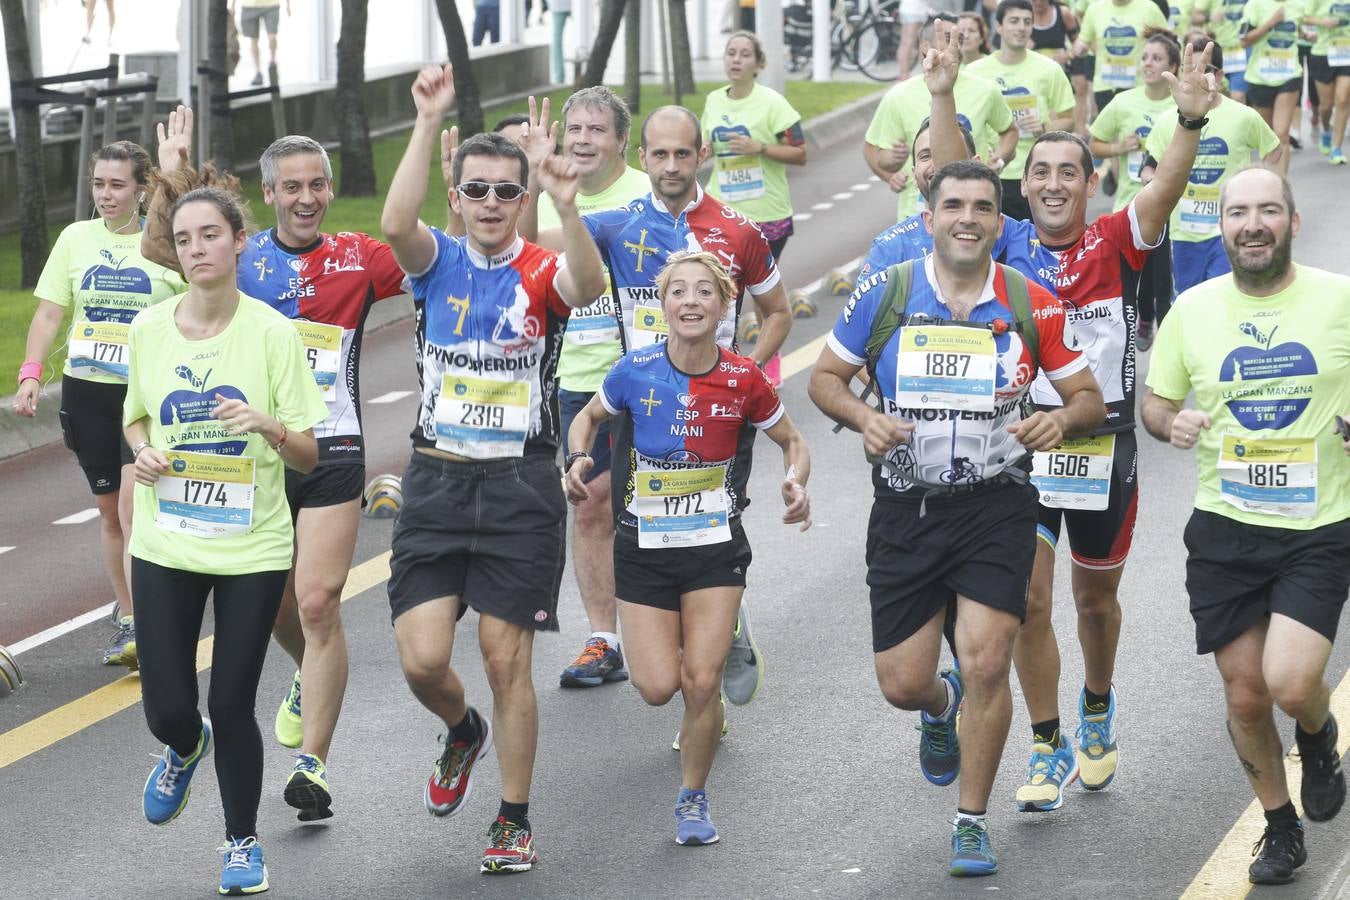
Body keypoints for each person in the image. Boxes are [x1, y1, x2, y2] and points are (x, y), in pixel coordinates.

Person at [809, 158, 1105, 876]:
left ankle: (971, 820)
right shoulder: (886, 293)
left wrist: (1058, 420)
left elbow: (1090, 398)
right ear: (929, 217)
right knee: (902, 683)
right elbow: (823, 379)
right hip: (907, 507)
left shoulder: (1030, 302)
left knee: (986, 661)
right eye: (953, 206)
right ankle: (937, 708)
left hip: (996, 505)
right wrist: (860, 418)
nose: (967, 218)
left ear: (999, 224)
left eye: (981, 207)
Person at [147, 107, 410, 822]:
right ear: (269, 194)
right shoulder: (244, 257)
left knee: (320, 602)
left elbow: (428, 255)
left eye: (317, 185)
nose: (304, 197)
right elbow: (171, 250)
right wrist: (173, 169)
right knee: (279, 608)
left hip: (333, 444)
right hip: (254, 458)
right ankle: (307, 673)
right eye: (290, 185)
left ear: (329, 189)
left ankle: (313, 766)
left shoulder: (361, 256)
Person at [379, 63, 605, 875]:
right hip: (438, 481)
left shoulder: (541, 268)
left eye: (505, 192)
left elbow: (590, 283)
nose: (488, 203)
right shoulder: (432, 259)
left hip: (519, 484)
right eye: (475, 189)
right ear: (458, 191)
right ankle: (462, 731)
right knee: (424, 659)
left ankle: (512, 817)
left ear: (523, 199)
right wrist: (425, 119)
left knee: (508, 659)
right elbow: (395, 218)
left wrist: (566, 201)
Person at [991, 42, 1219, 815]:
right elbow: (944, 183)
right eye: (1040, 173)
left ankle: (1097, 705)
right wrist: (943, 94)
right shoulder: (1006, 244)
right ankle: (1048, 741)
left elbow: (1168, 187)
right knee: (1026, 600)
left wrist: (1188, 117)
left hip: (1103, 446)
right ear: (1023, 189)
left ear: (1091, 185)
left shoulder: (1117, 239)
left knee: (1093, 604)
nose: (1053, 184)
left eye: (1069, 173)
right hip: (1024, 445)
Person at [1141, 166, 1349, 886]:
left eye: (1267, 211)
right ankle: (1280, 827)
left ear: (1293, 222)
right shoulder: (1192, 310)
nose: (1252, 224)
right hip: (1227, 527)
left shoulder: (1337, 300)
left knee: (1291, 685)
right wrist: (1173, 421)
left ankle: (1318, 735)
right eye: (1237, 213)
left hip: (1321, 523)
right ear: (1220, 225)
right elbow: (1157, 402)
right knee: (1244, 693)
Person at [564, 251, 811, 845]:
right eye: (680, 292)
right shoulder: (634, 369)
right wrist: (577, 457)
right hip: (643, 549)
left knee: (701, 683)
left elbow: (792, 440)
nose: (692, 301)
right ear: (664, 305)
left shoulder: (745, 380)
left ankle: (693, 799)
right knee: (656, 688)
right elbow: (588, 418)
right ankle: (714, 636)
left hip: (714, 549)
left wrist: (795, 480)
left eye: (706, 292)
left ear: (725, 307)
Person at [127, 171, 327, 897]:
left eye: (210, 234)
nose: (197, 248)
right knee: (171, 710)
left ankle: (241, 843)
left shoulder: (272, 333)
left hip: (252, 545)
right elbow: (135, 415)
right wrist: (141, 449)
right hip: (165, 540)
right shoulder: (149, 327)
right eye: (184, 239)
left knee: (231, 700)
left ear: (240, 242)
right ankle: (184, 749)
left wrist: (270, 427)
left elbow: (308, 449)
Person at [566, 105, 793, 712]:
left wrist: (743, 370)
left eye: (682, 154)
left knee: (709, 528)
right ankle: (710, 646)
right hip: (640, 411)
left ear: (703, 157)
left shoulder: (739, 230)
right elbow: (555, 273)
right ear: (641, 159)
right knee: (654, 532)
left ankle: (713, 658)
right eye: (659, 155)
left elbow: (779, 312)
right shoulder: (613, 225)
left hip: (720, 415)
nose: (671, 166)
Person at [13, 139, 185, 669]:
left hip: (145, 400)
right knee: (111, 515)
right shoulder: (75, 239)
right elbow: (48, 315)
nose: (106, 195)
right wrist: (30, 375)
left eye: (117, 185)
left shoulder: (161, 243)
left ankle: (150, 626)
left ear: (141, 190)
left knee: (135, 509)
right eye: (98, 184)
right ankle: (130, 615)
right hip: (87, 394)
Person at [512, 87, 650, 690]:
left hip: (651, 379)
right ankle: (605, 639)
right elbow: (516, 256)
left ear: (621, 140)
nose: (584, 141)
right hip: (576, 379)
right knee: (590, 507)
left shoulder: (650, 195)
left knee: (653, 511)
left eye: (598, 130)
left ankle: (711, 612)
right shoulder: (541, 198)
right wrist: (535, 181)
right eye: (575, 130)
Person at [703, 30, 808, 386]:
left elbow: (800, 152)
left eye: (745, 54)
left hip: (767, 214)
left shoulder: (773, 103)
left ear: (758, 63)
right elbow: (707, 148)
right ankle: (720, 361)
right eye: (731, 52)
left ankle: (767, 363)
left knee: (764, 295)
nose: (736, 59)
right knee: (723, 292)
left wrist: (758, 147)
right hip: (723, 212)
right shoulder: (714, 101)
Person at [1141, 35, 1281, 297]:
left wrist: (1256, 188)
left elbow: (1274, 150)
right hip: (1185, 233)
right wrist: (1153, 185)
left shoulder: (1243, 116)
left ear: (1220, 76)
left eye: (1203, 70)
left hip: (1228, 227)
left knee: (1224, 295)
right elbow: (1150, 168)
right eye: (1189, 70)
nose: (1195, 77)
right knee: (1190, 300)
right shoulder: (1167, 120)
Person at [864, 14, 1019, 222]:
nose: (956, 44)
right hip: (915, 214)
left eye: (959, 38)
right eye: (948, 37)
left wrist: (998, 161)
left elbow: (1009, 130)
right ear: (925, 46)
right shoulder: (898, 95)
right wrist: (890, 173)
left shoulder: (985, 90)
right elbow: (872, 149)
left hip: (972, 214)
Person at [1088, 29, 1180, 348]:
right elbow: (1094, 143)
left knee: (1161, 276)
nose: (1148, 64)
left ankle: (1167, 342)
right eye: (1144, 58)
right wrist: (1118, 148)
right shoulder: (1123, 102)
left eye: (1157, 58)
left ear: (1173, 66)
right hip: (1129, 204)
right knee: (1129, 277)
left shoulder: (1181, 105)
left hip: (1172, 207)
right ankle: (1140, 318)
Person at [968, 0, 1077, 220]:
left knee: (1035, 244)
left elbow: (1069, 119)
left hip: (1035, 172)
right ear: (998, 26)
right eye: (1014, 21)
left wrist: (1046, 127)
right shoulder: (974, 72)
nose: (1021, 27)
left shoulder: (1049, 69)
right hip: (989, 172)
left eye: (1027, 22)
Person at [1242, 0, 1303, 175]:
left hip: (1290, 74)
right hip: (1260, 77)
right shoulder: (1254, 5)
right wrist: (1271, 23)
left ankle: (1281, 186)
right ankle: (1269, 181)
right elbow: (1244, 41)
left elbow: (1297, 29)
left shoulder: (1297, 5)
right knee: (1267, 139)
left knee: (1282, 133)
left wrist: (1306, 35)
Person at [1305, 0, 1350, 162]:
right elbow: (1305, 17)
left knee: (1343, 100)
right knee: (1326, 106)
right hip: (1323, 52)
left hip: (1346, 52)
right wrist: (1325, 22)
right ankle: (1325, 129)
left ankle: (1336, 148)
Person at [1197, 0, 1253, 100]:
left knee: (1238, 97)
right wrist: (1209, 16)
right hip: (1217, 50)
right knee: (1215, 94)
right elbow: (1194, 16)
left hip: (1242, 50)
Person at [232, 0, 288, 86]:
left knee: (272, 37)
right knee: (253, 40)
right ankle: (258, 71)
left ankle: (272, 64)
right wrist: (233, 5)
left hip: (272, 5)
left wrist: (288, 5)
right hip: (249, 6)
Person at [552, 0, 572, 84]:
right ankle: (559, 76)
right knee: (557, 40)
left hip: (559, 5)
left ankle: (559, 76)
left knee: (557, 39)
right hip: (559, 5)